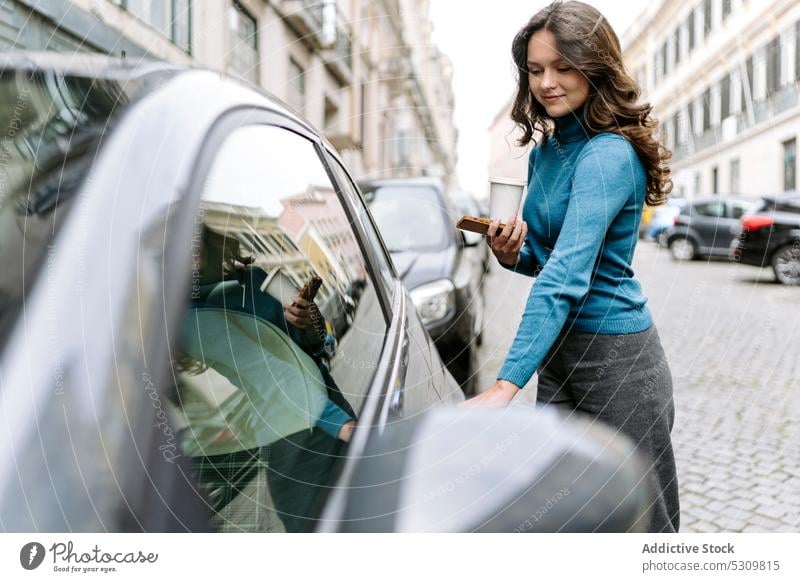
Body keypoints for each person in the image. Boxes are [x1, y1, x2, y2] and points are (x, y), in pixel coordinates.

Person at [464, 1, 680, 533]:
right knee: (568, 512)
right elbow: (548, 259)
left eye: (563, 67)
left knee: (645, 521)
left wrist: (503, 386)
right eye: (535, 70)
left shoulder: (608, 155)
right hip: (559, 350)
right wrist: (514, 255)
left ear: (596, 66)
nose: (546, 83)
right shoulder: (546, 153)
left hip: (618, 358)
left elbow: (567, 275)